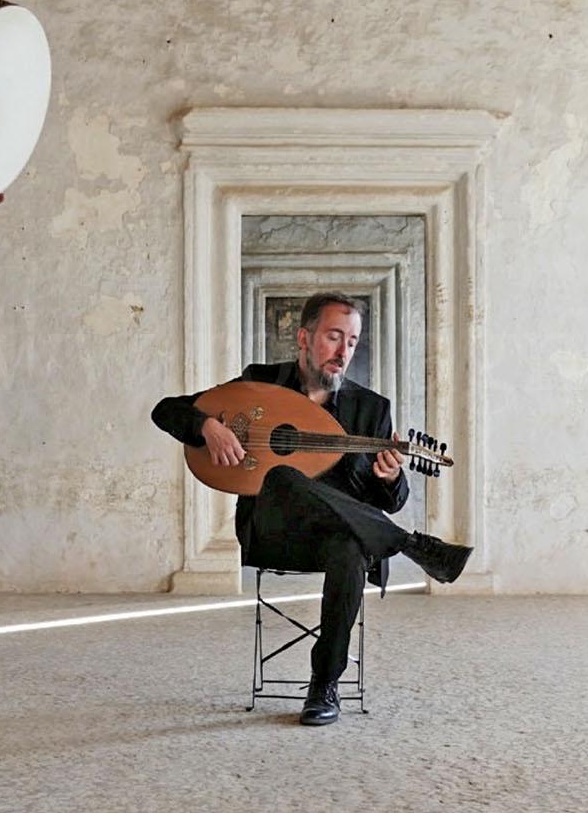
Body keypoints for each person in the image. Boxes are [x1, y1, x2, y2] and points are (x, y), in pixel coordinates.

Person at [153, 292, 472, 726]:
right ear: (304, 338)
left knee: (350, 550)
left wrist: (391, 477)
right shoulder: (260, 384)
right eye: (334, 337)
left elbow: (391, 502)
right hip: (273, 533)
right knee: (283, 477)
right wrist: (206, 425)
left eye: (352, 342)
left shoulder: (370, 409)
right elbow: (165, 410)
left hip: (335, 540)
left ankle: (324, 686)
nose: (343, 352)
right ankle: (409, 545)